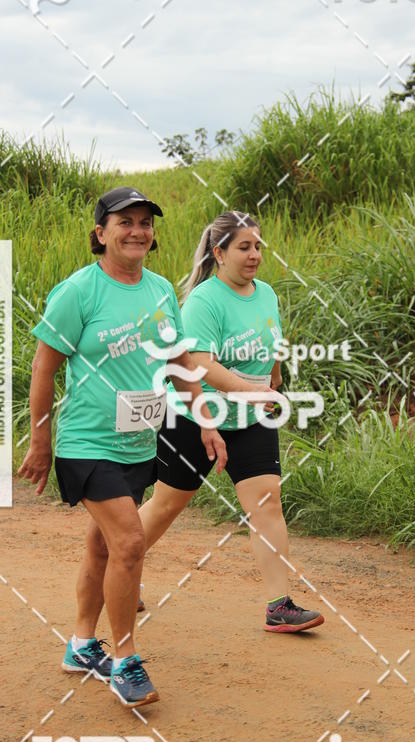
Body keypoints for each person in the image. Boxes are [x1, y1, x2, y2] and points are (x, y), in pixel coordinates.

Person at [18, 186, 226, 707]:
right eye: (124, 222)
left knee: (104, 544)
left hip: (138, 441)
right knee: (130, 542)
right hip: (87, 442)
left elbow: (179, 359)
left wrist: (203, 420)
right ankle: (125, 660)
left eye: (144, 223)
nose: (137, 230)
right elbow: (46, 366)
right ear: (101, 233)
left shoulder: (158, 290)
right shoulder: (78, 292)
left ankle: (82, 644)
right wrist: (40, 437)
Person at [138, 211, 325, 633]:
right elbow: (200, 365)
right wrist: (253, 391)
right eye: (244, 247)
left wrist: (275, 382)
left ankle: (279, 606)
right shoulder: (204, 300)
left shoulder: (268, 294)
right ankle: (120, 568)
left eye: (258, 245)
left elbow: (272, 340)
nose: (255, 254)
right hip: (194, 414)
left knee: (267, 504)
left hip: (251, 416)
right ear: (219, 253)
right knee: (168, 504)